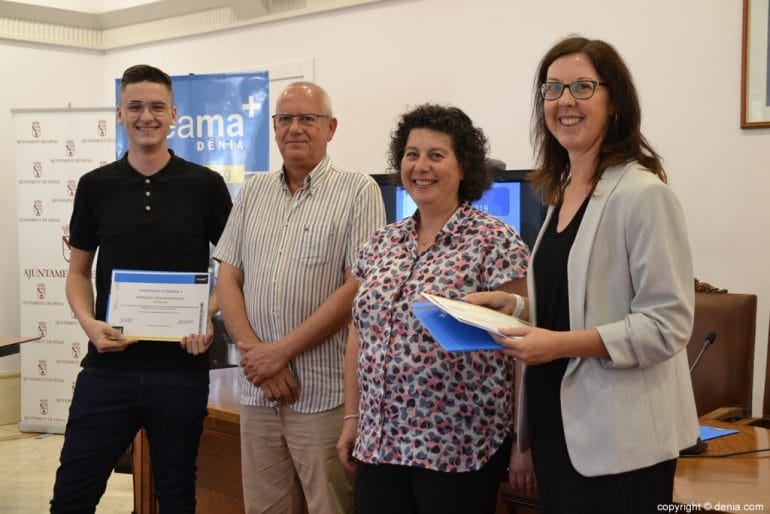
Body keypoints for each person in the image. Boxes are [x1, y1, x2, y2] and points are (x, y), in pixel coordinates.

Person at [466, 36, 700, 514]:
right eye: (552, 89)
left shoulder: (642, 194)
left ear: (614, 102)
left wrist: (559, 344)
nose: (565, 101)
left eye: (581, 87)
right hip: (560, 431)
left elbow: (667, 324)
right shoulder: (562, 193)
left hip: (621, 445)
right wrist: (512, 307)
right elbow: (578, 305)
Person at [50, 64, 232, 513]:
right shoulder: (95, 187)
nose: (145, 116)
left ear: (173, 114)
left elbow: (232, 271)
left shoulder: (206, 186)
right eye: (135, 106)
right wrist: (90, 324)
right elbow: (77, 274)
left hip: (181, 370)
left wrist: (204, 314)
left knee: (175, 496)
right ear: (119, 113)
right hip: (108, 367)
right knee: (72, 494)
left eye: (156, 107)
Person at [336, 104, 530, 514]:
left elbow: (523, 347)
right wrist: (352, 419)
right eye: (412, 154)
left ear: (464, 168)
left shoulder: (495, 241)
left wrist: (521, 441)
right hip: (380, 442)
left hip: (458, 448)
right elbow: (360, 332)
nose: (421, 166)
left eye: (436, 155)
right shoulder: (381, 243)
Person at [213, 81, 385, 514]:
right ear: (273, 128)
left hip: (323, 394)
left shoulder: (358, 190)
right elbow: (229, 277)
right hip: (258, 392)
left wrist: (281, 353)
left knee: (331, 506)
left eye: (307, 118)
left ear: (331, 127)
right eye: (285, 119)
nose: (295, 128)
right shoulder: (252, 192)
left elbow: (357, 287)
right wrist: (258, 357)